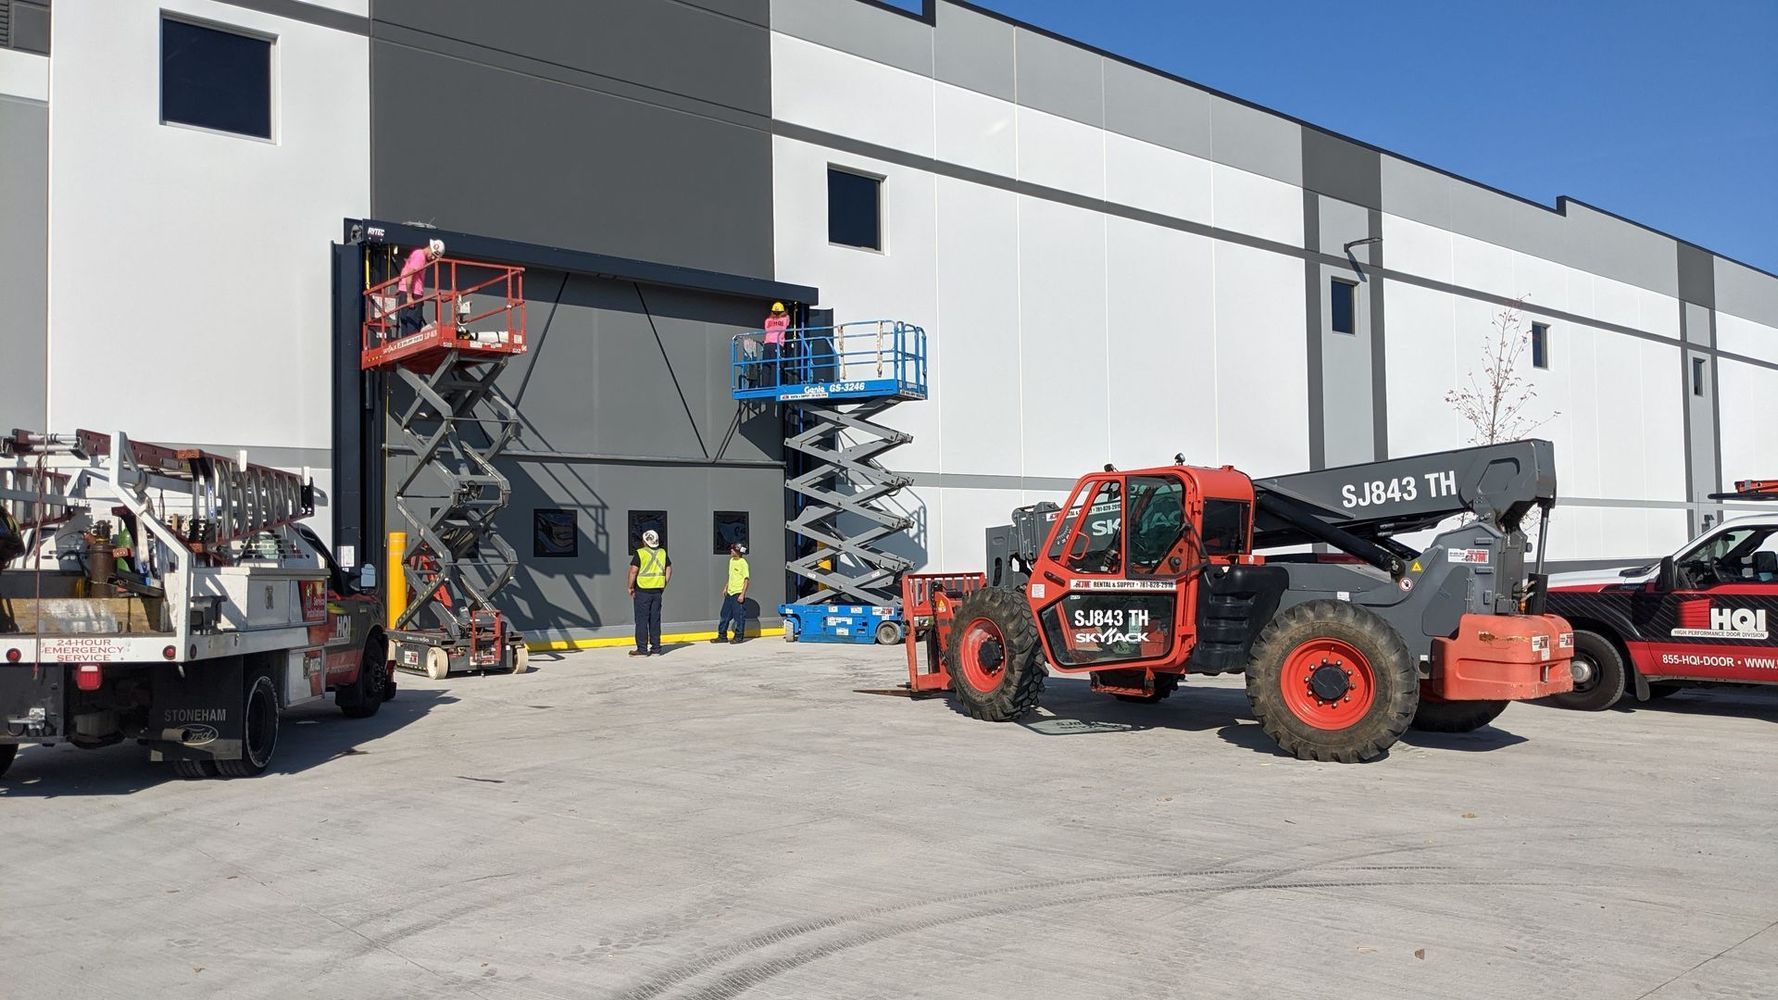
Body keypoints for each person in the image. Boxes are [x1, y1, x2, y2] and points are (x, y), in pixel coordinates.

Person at [628, 528, 671, 656]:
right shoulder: (662, 553)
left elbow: (633, 571)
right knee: (655, 620)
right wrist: (663, 584)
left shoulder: (640, 553)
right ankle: (656, 648)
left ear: (645, 541)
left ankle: (642, 649)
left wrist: (630, 587)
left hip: (642, 591)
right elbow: (669, 569)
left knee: (642, 620)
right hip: (657, 592)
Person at [396, 238, 446, 337]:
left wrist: (402, 289)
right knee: (413, 325)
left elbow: (406, 272)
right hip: (413, 293)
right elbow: (410, 274)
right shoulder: (420, 257)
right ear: (431, 249)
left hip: (406, 291)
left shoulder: (417, 254)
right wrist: (409, 296)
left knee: (406, 324)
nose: (433, 258)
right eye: (434, 255)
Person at [712, 542, 750, 644]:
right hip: (730, 593)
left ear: (738, 552)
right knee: (724, 615)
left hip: (738, 594)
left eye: (733, 550)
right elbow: (731, 576)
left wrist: (742, 594)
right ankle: (722, 636)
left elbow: (746, 580)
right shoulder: (731, 561)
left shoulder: (743, 563)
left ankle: (738, 637)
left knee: (739, 617)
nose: (731, 551)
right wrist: (726, 587)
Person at [762, 301, 791, 385]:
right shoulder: (785, 319)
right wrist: (787, 308)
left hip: (767, 345)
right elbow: (787, 317)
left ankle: (765, 386)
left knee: (766, 366)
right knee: (775, 366)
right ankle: (774, 385)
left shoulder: (767, 320)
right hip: (777, 345)